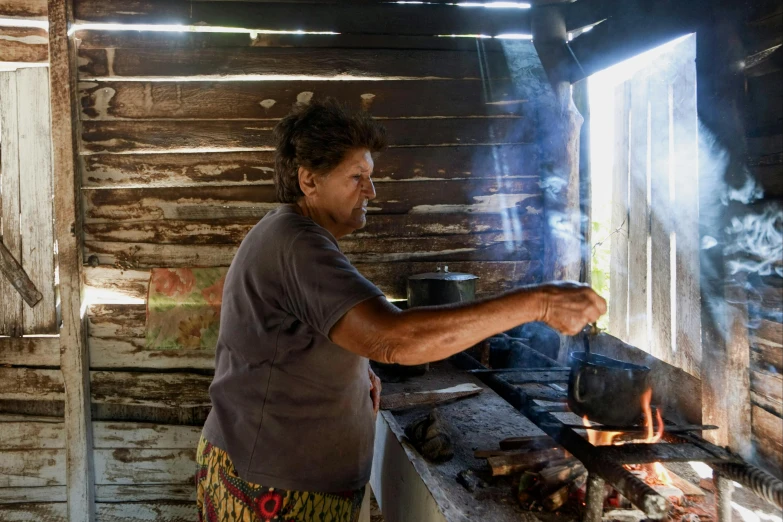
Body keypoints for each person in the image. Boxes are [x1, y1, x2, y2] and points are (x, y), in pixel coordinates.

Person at [196, 99, 606, 522]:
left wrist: (353, 371)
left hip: (277, 476)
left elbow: (302, 339)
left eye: (370, 177)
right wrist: (538, 302)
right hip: (272, 490)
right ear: (308, 180)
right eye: (357, 177)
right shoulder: (299, 244)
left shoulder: (289, 233)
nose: (371, 191)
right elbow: (393, 339)